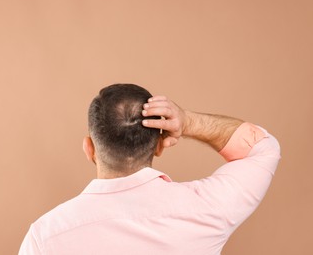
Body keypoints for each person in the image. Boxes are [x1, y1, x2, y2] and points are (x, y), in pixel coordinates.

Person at [19, 83, 281, 255]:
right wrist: (187, 121)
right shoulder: (206, 209)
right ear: (159, 146)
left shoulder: (46, 236)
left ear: (89, 149)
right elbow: (263, 147)